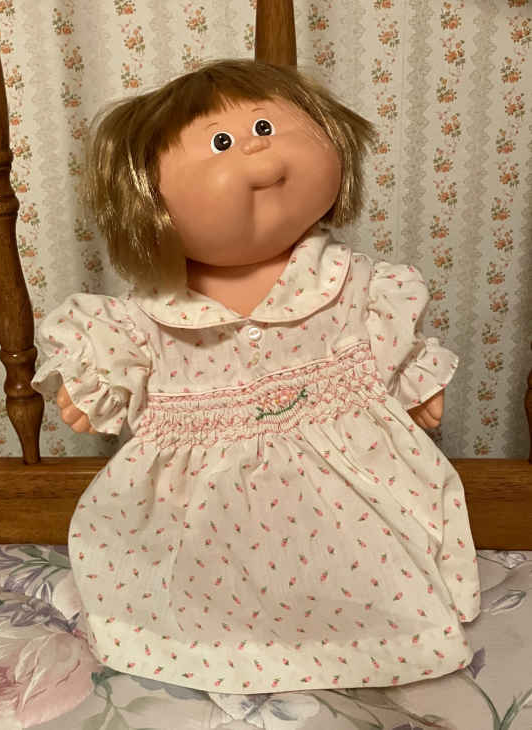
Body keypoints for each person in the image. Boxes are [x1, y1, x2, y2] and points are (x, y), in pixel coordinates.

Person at [31, 59, 480, 693]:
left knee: (373, 571)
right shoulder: (145, 320)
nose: (255, 149)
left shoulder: (358, 287)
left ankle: (375, 632)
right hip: (204, 524)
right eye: (221, 141)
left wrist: (413, 383)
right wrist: (89, 387)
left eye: (265, 126)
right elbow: (102, 373)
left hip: (350, 514)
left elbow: (397, 352)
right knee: (195, 583)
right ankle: (211, 643)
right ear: (146, 201)